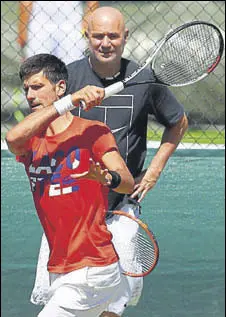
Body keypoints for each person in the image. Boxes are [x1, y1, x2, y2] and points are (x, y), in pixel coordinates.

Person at [31, 6, 189, 316]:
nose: (106, 43)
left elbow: (178, 121)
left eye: (113, 36)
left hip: (120, 210)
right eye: (98, 36)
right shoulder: (67, 78)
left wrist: (154, 170)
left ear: (125, 37)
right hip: (70, 218)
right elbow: (35, 124)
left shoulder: (145, 79)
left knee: (112, 309)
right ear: (86, 37)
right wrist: (68, 102)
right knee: (63, 302)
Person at [5, 53, 135, 317]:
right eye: (26, 88)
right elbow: (12, 137)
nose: (30, 95)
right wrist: (69, 102)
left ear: (60, 87)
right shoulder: (30, 141)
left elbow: (127, 182)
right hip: (59, 268)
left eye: (38, 87)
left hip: (92, 268)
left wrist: (107, 178)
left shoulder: (93, 131)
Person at [17, 1, 99, 64]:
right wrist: (22, 29)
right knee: (37, 68)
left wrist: (87, 19)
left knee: (73, 67)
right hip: (39, 22)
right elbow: (26, 3)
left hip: (72, 23)